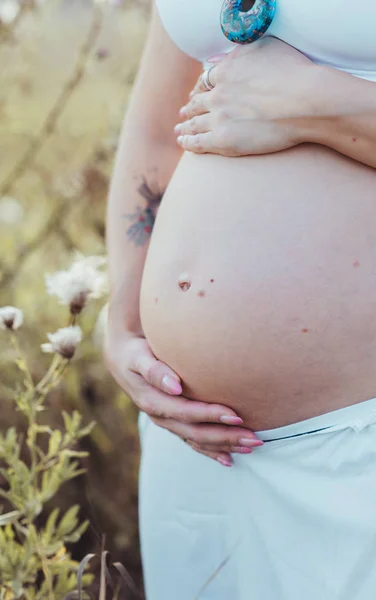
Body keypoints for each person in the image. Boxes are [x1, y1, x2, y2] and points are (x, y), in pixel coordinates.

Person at [104, 0, 376, 597]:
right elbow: (155, 132)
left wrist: (321, 107)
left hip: (358, 440)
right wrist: (123, 324)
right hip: (196, 448)